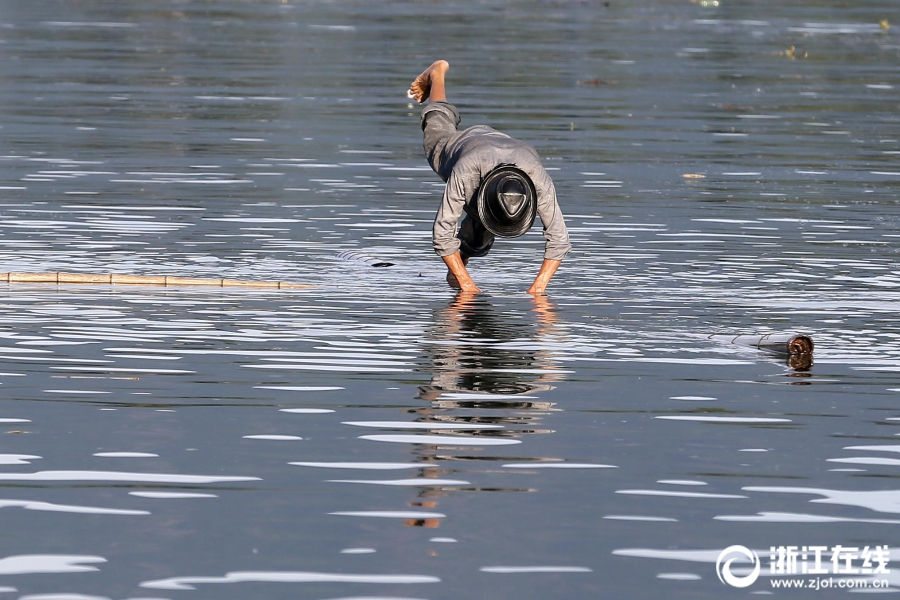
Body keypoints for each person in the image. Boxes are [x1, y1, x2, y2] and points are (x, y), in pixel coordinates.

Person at [408, 60, 571, 295]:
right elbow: (442, 233)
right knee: (438, 121)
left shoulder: (537, 179)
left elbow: (560, 240)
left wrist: (537, 290)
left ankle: (460, 262)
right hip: (460, 148)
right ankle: (438, 72)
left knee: (482, 235)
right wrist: (468, 287)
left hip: (505, 147)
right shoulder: (464, 171)